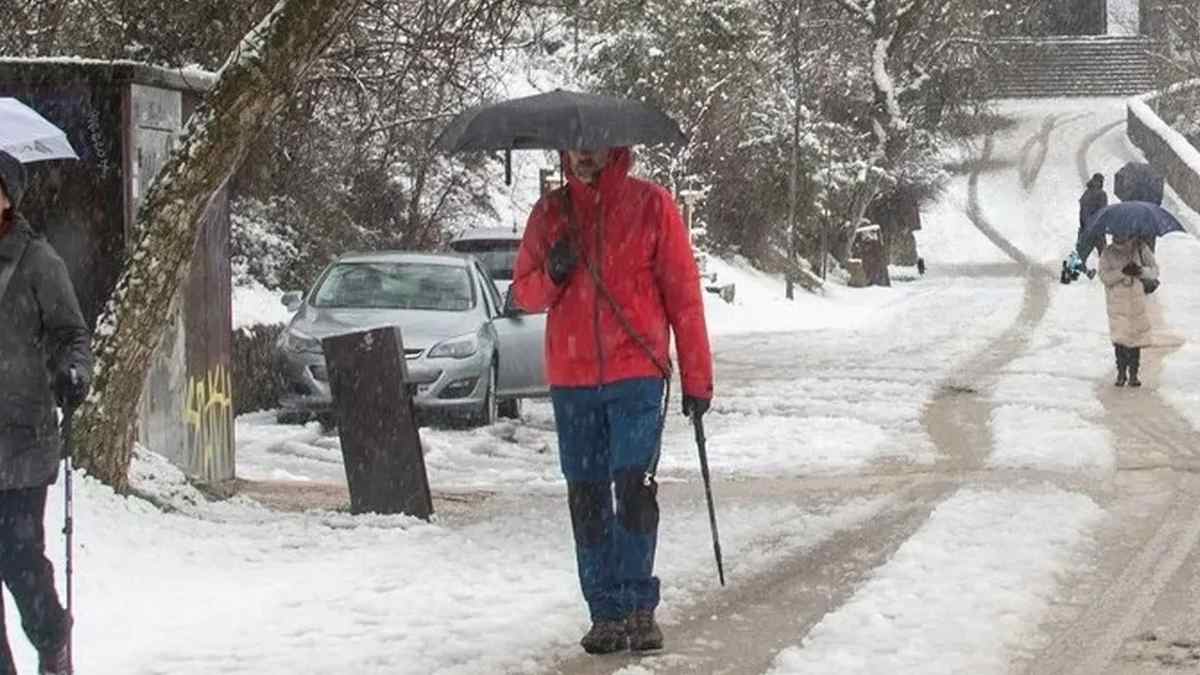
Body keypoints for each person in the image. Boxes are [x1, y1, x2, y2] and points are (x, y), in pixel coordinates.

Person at [512, 146, 713, 655]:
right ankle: (604, 612)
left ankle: (638, 606)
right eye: (575, 147)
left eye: (594, 146)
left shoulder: (652, 206)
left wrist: (697, 378)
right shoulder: (550, 214)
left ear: (616, 148)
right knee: (587, 499)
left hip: (637, 376)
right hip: (572, 381)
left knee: (634, 489)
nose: (583, 156)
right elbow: (524, 295)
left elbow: (683, 295)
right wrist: (554, 272)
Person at [0, 150, 92, 675]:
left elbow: (70, 334)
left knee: (20, 561)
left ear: (8, 198)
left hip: (21, 442)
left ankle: (51, 638)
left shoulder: (37, 261)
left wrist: (72, 371)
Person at [1098, 232, 1158, 388]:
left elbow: (1154, 270)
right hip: (1117, 302)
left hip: (1136, 300)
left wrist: (1140, 271)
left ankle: (1133, 374)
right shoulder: (1108, 252)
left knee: (1135, 337)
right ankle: (1121, 373)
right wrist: (1122, 273)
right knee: (1120, 337)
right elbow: (1104, 277)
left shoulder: (1139, 248)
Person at [1079, 173, 1108, 244]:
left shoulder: (1087, 192)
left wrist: (1083, 226)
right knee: (1103, 251)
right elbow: (1103, 211)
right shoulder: (1101, 194)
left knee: (1081, 251)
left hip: (1085, 226)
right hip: (1097, 227)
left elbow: (1082, 211)